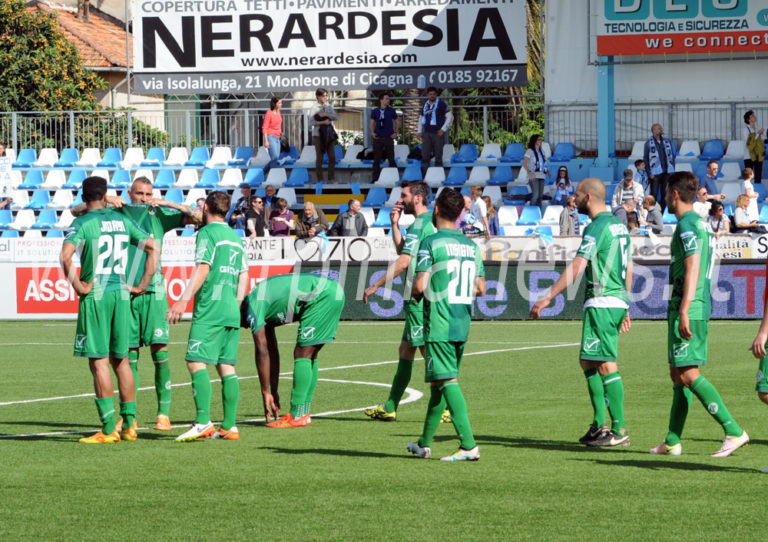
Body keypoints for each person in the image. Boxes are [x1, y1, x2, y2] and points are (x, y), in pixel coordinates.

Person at [71, 176, 202, 431]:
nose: (143, 198)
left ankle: (163, 413)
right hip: (124, 293)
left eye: (148, 193)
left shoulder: (159, 216)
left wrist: (165, 203)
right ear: (129, 194)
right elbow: (76, 210)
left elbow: (199, 217)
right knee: (126, 357)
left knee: (160, 352)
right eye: (139, 193)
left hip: (153, 292)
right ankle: (130, 416)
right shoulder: (113, 212)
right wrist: (107, 198)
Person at [650, 170, 749, 457]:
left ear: (675, 194)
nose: (665, 197)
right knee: (677, 374)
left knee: (689, 373)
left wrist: (683, 309)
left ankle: (733, 430)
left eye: (667, 192)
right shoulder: (700, 224)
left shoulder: (688, 225)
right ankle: (672, 439)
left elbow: (693, 266)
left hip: (689, 306)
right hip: (688, 304)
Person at [530, 178, 632, 447]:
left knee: (605, 362)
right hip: (615, 299)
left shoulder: (596, 227)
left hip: (602, 300)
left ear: (588, 197)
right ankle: (600, 424)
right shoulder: (619, 226)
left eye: (576, 195)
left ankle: (619, 430)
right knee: (588, 360)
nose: (573, 199)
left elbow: (577, 266)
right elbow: (629, 267)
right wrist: (626, 305)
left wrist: (547, 297)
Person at [60, 176, 157, 443]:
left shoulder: (81, 223)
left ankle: (106, 430)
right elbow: (153, 247)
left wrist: (78, 285)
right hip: (122, 294)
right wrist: (143, 283)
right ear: (105, 196)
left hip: (97, 295)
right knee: (121, 360)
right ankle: (129, 425)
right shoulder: (123, 220)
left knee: (99, 361)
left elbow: (65, 256)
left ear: (83, 198)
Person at [406, 187, 486, 461]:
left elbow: (420, 285)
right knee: (439, 385)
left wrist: (418, 295)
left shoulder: (431, 243)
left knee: (447, 381)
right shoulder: (471, 246)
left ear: (436, 210)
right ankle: (424, 443)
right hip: (461, 323)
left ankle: (469, 445)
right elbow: (481, 288)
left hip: (439, 322)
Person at [168, 191, 249, 442]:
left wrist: (183, 299)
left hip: (210, 309)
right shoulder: (236, 239)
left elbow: (203, 267)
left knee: (195, 361)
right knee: (226, 366)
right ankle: (230, 426)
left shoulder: (206, 234)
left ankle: (203, 421)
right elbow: (244, 275)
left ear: (207, 209)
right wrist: (235, 304)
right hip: (230, 309)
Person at [363, 181, 447, 422]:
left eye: (404, 196)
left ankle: (447, 406)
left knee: (428, 352)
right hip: (424, 296)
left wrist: (375, 285)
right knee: (406, 350)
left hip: (419, 298)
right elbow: (404, 251)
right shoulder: (426, 222)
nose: (400, 200)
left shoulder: (421, 224)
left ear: (418, 198)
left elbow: (403, 262)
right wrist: (394, 225)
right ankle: (390, 406)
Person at [240, 273, 345, 427]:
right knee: (310, 354)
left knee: (302, 353)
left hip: (322, 296)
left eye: (240, 323)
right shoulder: (259, 306)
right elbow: (271, 351)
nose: (244, 327)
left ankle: (296, 415)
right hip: (331, 291)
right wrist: (273, 390)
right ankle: (303, 413)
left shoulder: (253, 305)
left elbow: (261, 350)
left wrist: (264, 392)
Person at [417, 86, 453, 172]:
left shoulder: (441, 104)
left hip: (437, 134)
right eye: (430, 94)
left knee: (438, 156)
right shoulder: (425, 105)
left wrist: (443, 129)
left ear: (436, 95)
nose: (432, 96)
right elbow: (421, 118)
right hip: (426, 134)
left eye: (434, 94)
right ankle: (425, 177)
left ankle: (438, 176)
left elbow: (450, 117)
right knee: (425, 155)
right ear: (427, 95)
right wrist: (419, 131)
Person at [643, 123, 676, 211]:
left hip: (666, 172)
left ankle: (661, 212)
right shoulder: (648, 143)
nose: (661, 129)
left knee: (665, 194)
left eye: (661, 128)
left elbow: (672, 156)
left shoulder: (667, 141)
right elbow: (645, 159)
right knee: (654, 194)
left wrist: (672, 170)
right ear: (653, 131)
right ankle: (652, 212)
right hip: (655, 174)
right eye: (658, 128)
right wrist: (649, 173)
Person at [308, 88, 338, 182]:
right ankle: (320, 178)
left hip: (329, 134)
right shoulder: (314, 108)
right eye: (323, 95)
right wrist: (323, 122)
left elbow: (335, 117)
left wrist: (327, 115)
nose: (325, 97)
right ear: (318, 96)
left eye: (326, 95)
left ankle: (331, 177)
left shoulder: (328, 106)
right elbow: (311, 123)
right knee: (320, 157)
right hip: (318, 135)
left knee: (332, 156)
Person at [370, 92, 399, 182]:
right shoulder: (375, 111)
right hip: (378, 138)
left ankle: (394, 178)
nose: (388, 100)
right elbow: (371, 122)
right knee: (376, 160)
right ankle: (375, 179)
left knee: (391, 159)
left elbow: (397, 121)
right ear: (381, 100)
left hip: (388, 137)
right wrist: (372, 133)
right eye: (386, 98)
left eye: (388, 99)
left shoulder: (391, 110)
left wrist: (396, 132)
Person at [523, 134, 548, 206]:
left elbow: (543, 163)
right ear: (534, 141)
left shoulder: (542, 151)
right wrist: (530, 173)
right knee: (535, 195)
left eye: (541, 139)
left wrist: (548, 172)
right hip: (534, 176)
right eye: (539, 139)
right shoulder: (530, 151)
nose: (541, 141)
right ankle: (531, 212)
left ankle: (538, 212)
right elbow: (524, 163)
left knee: (540, 197)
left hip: (542, 176)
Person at [743, 110, 765, 183]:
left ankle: (758, 191)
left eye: (754, 115)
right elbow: (749, 142)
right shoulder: (745, 129)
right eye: (752, 116)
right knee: (748, 176)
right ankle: (748, 192)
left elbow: (762, 140)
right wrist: (758, 133)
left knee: (758, 175)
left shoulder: (757, 128)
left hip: (758, 155)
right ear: (748, 119)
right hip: (749, 156)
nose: (754, 116)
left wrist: (761, 134)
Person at [263, 97, 283, 164]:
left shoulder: (278, 112)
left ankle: (263, 171)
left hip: (278, 137)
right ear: (274, 104)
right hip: (271, 137)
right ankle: (273, 173)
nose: (281, 104)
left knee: (276, 157)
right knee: (274, 157)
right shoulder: (269, 113)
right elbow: (265, 127)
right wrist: (266, 141)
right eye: (279, 103)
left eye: (281, 103)